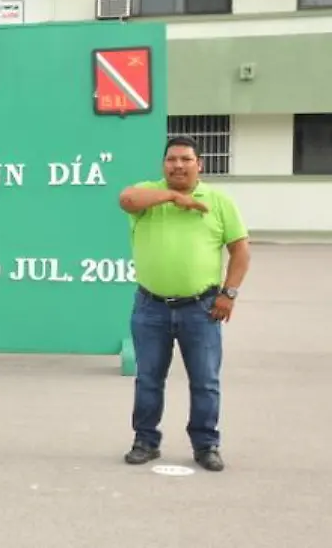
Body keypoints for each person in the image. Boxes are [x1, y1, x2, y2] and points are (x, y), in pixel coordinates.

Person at [118, 135, 250, 473]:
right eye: (172, 159)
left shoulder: (219, 202)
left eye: (186, 159)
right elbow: (126, 198)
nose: (178, 165)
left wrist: (228, 293)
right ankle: (145, 441)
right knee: (148, 378)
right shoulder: (149, 195)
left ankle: (206, 445)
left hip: (201, 308)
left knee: (205, 380)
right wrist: (174, 197)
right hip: (151, 308)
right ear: (163, 165)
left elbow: (241, 250)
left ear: (199, 164)